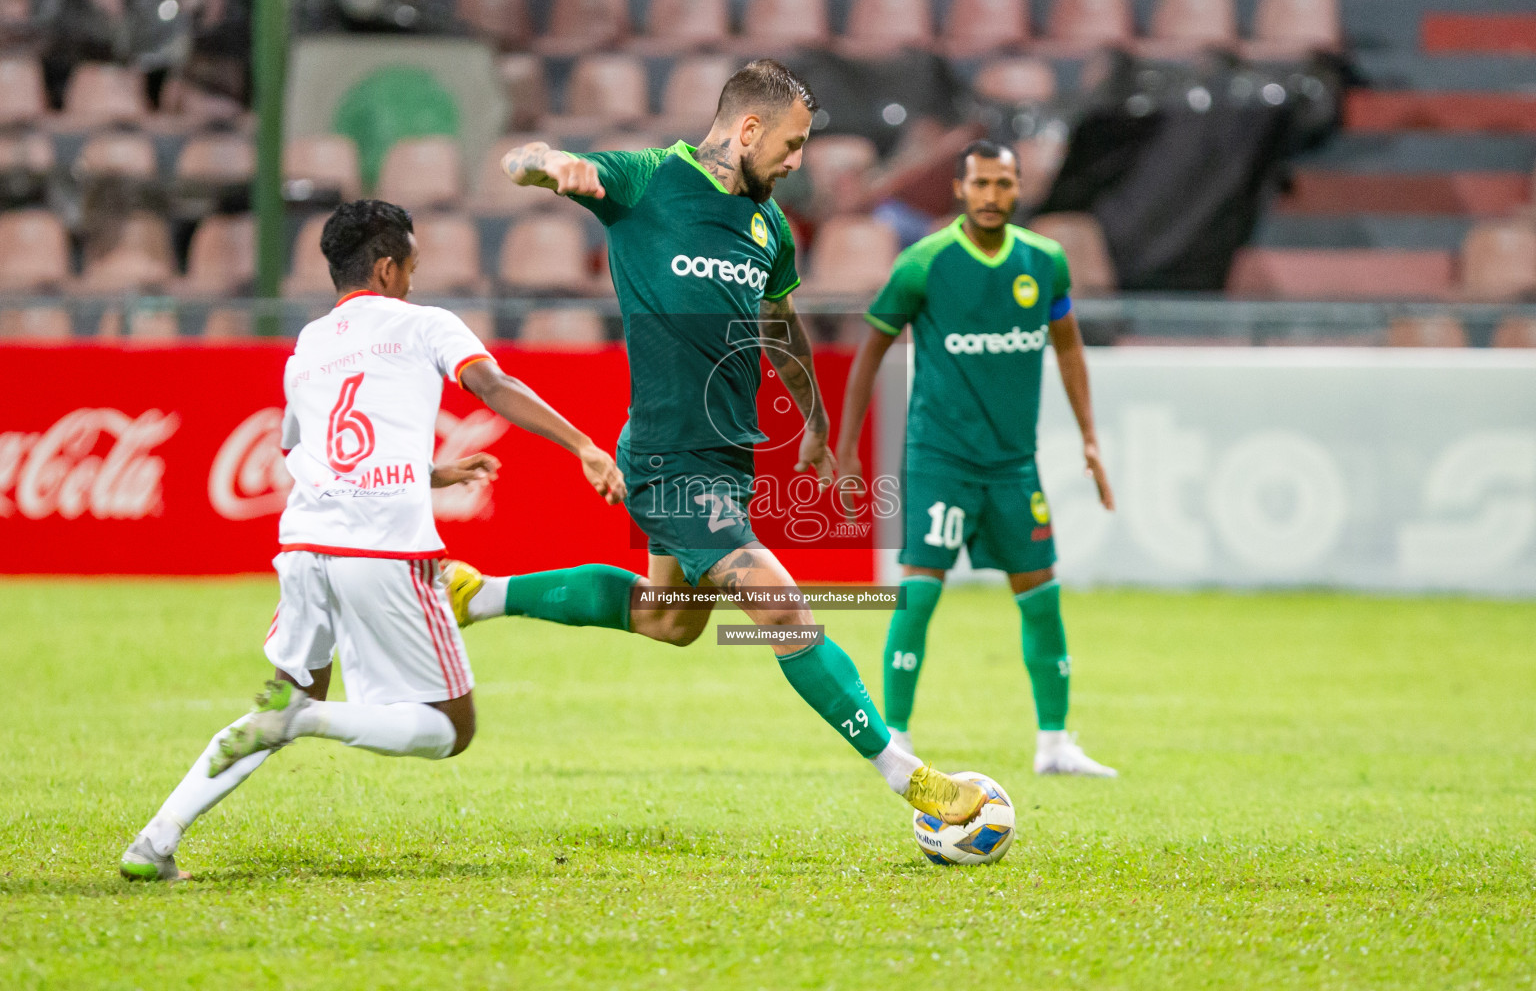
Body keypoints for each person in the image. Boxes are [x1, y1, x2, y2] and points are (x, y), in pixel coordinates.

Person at [444, 60, 987, 826]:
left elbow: (778, 326)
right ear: (749, 128)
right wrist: (546, 165)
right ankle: (908, 775)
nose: (797, 162)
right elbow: (524, 159)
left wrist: (815, 421)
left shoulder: (768, 225)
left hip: (727, 460)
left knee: (670, 620)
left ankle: (481, 592)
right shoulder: (646, 179)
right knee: (783, 608)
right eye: (792, 144)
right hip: (666, 458)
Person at [119, 199, 625, 881]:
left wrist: (429, 472)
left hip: (304, 546)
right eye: (411, 266)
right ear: (386, 268)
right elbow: (493, 384)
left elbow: (308, 449)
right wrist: (583, 445)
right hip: (385, 552)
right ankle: (307, 722)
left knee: (282, 694)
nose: (414, 280)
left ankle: (155, 840)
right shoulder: (425, 325)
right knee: (450, 729)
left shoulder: (309, 346)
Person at [836, 140, 1119, 777]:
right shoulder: (924, 264)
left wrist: (1090, 438)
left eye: (1004, 184)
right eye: (981, 184)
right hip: (941, 458)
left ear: (1019, 189)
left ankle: (1054, 745)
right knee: (917, 596)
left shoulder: (1045, 262)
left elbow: (1069, 349)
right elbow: (871, 351)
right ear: (960, 190)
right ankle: (898, 735)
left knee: (1041, 597)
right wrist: (848, 447)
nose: (992, 196)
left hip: (1015, 465)